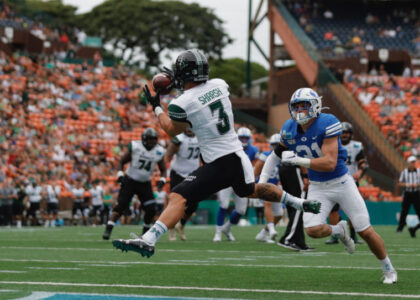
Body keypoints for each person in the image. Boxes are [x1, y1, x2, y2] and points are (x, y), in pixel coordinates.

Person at [112, 49, 320, 258]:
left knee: (179, 195)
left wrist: (157, 107)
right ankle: (299, 203)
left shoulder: (181, 103)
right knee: (250, 190)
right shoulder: (220, 85)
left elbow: (171, 129)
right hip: (236, 156)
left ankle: (148, 239)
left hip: (221, 161)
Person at [258, 87, 397, 284]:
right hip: (317, 186)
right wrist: (262, 182)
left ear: (315, 106)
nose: (300, 111)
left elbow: (330, 162)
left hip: (341, 183)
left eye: (304, 106)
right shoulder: (289, 128)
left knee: (364, 230)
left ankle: (388, 267)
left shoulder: (327, 122)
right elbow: (274, 156)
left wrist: (298, 160)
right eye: (296, 106)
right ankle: (339, 231)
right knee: (313, 230)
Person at [102, 127, 166, 240]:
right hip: (130, 181)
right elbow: (122, 161)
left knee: (151, 208)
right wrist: (120, 174)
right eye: (150, 139)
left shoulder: (159, 151)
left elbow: (163, 169)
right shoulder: (136, 147)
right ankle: (108, 229)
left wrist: (163, 179)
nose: (152, 141)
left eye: (154, 139)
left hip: (145, 183)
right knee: (120, 206)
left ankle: (145, 234)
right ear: (144, 139)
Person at [213, 126, 259, 242]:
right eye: (241, 137)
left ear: (249, 139)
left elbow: (257, 165)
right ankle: (218, 232)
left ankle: (227, 228)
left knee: (241, 210)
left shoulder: (253, 150)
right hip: (227, 180)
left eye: (245, 138)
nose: (243, 140)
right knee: (224, 204)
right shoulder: (229, 148)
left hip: (241, 181)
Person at [325, 121, 367, 245]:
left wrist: (360, 172)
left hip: (351, 182)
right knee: (332, 210)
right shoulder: (332, 145)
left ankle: (353, 236)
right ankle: (335, 235)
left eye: (347, 133)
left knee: (352, 210)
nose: (344, 135)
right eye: (342, 133)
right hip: (334, 181)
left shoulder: (356, 146)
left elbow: (363, 163)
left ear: (351, 134)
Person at [165, 129, 200, 241]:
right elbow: (168, 155)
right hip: (178, 173)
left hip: (193, 173)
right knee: (175, 203)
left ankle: (181, 225)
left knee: (194, 204)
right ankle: (171, 230)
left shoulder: (200, 137)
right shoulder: (179, 139)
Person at [254, 133, 283, 243]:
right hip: (264, 184)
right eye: (274, 145)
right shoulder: (265, 155)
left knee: (279, 215)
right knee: (268, 203)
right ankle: (271, 231)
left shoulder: (284, 157)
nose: (275, 147)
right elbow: (256, 171)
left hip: (276, 186)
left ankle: (263, 234)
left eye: (277, 145)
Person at [396, 155, 420, 238]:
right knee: (404, 212)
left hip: (416, 193)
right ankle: (400, 228)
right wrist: (408, 185)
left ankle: (414, 228)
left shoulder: (419, 171)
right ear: (408, 163)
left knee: (419, 211)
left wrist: (416, 185)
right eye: (412, 162)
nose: (413, 164)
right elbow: (399, 183)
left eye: (414, 162)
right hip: (407, 194)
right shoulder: (404, 172)